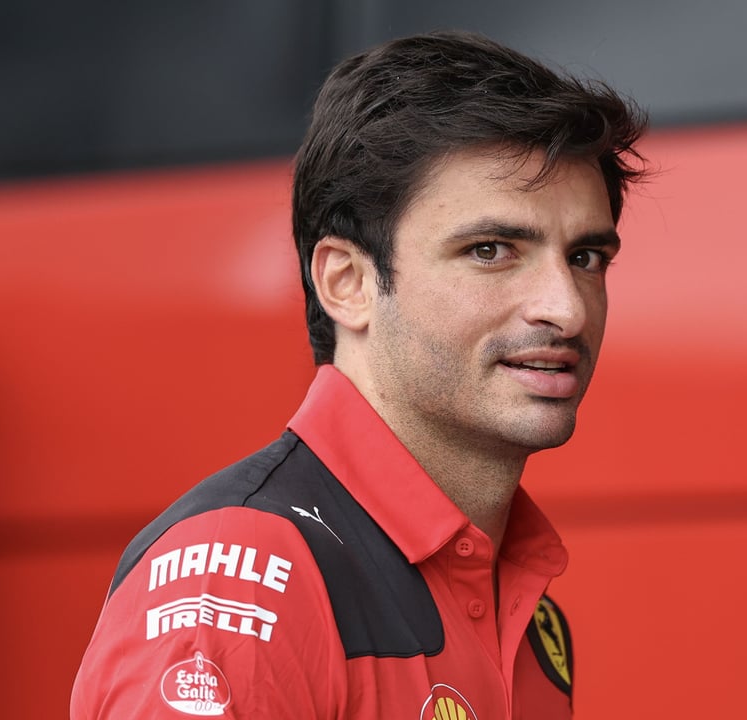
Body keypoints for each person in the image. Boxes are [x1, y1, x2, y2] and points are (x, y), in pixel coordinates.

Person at [70, 30, 646, 719]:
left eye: (585, 258)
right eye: (490, 250)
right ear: (346, 282)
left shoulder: (526, 610)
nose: (566, 308)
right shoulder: (243, 581)